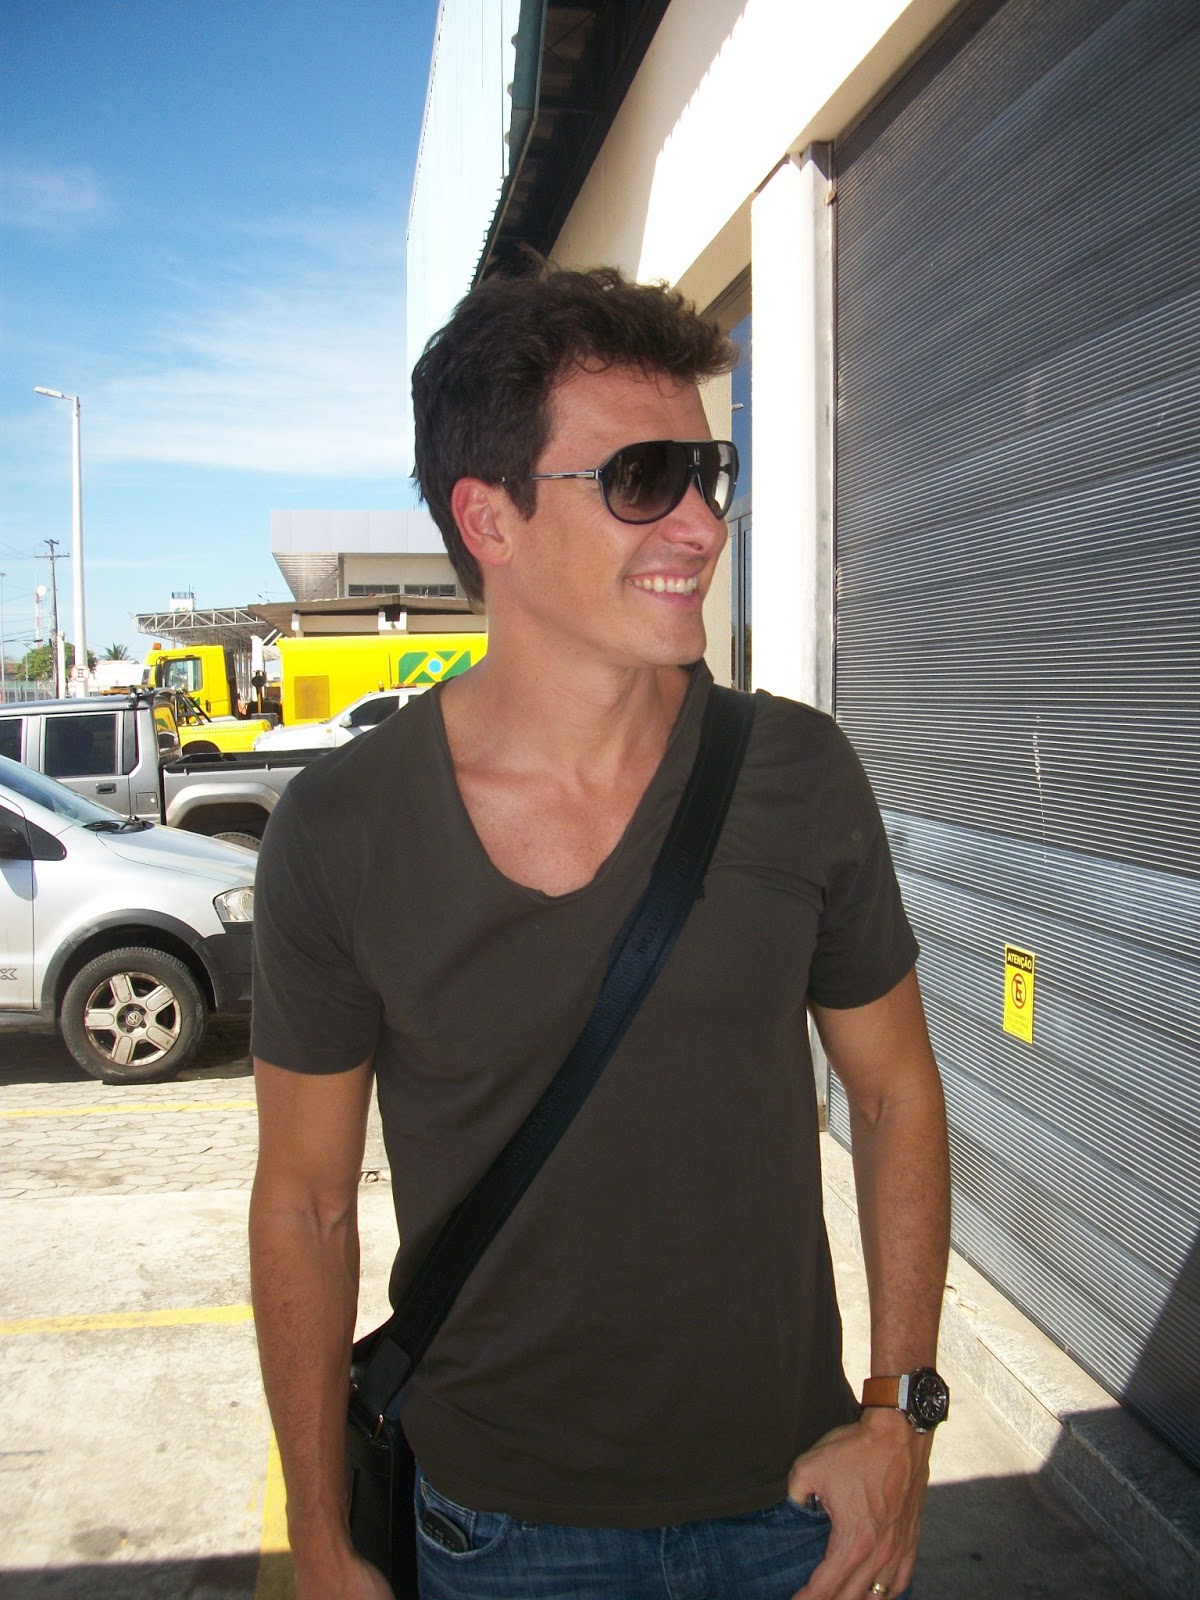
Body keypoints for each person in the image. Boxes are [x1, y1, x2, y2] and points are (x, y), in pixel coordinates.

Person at [249, 265, 951, 1600]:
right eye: (642, 479)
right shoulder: (342, 831)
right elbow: (305, 1201)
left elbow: (894, 1092)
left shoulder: (798, 774)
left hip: (794, 1509)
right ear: (488, 519)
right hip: (499, 1530)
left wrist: (900, 1411)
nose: (702, 523)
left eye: (710, 473)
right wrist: (323, 1536)